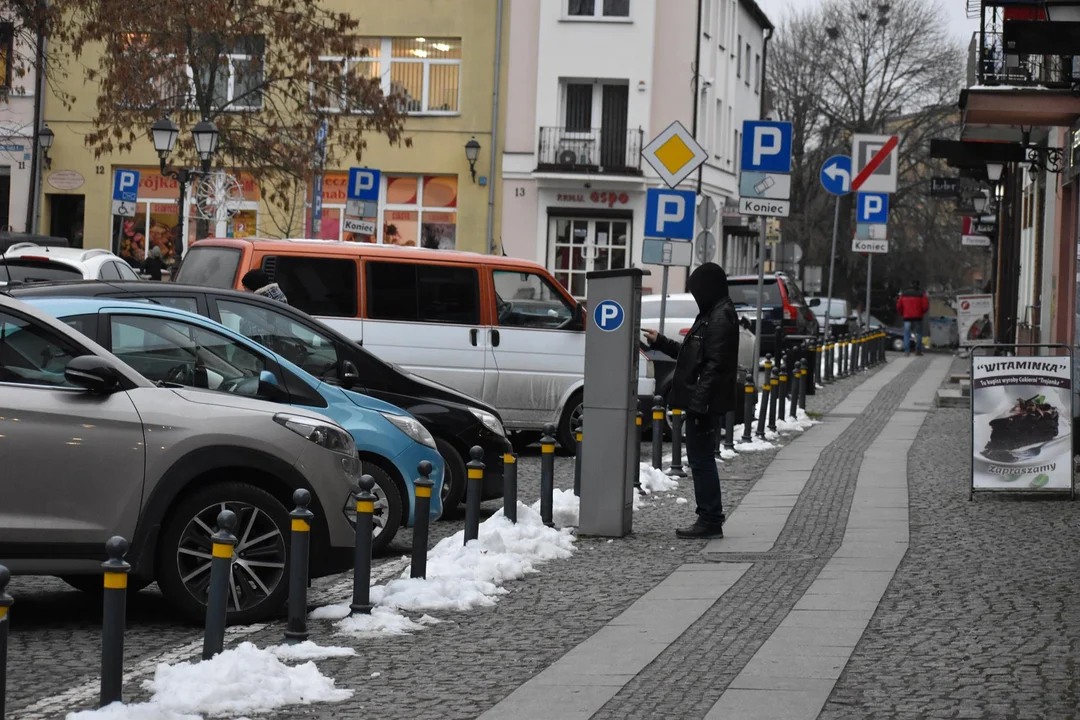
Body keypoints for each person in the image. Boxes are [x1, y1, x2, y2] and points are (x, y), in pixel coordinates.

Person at [643, 262, 739, 539]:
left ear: (707, 289)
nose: (696, 296)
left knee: (701, 460)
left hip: (705, 403)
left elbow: (713, 366)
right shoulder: (712, 313)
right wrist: (660, 341)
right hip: (704, 401)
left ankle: (710, 519)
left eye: (697, 291)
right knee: (700, 459)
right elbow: (692, 354)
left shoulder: (720, 317)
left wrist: (699, 404)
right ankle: (709, 516)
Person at [895, 280, 929, 356]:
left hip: (907, 317)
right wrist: (921, 313)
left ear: (911, 284)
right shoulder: (921, 294)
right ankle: (917, 350)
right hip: (918, 317)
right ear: (918, 285)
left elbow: (899, 305)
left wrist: (902, 313)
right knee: (919, 333)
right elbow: (926, 306)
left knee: (907, 334)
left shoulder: (904, 294)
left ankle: (907, 351)